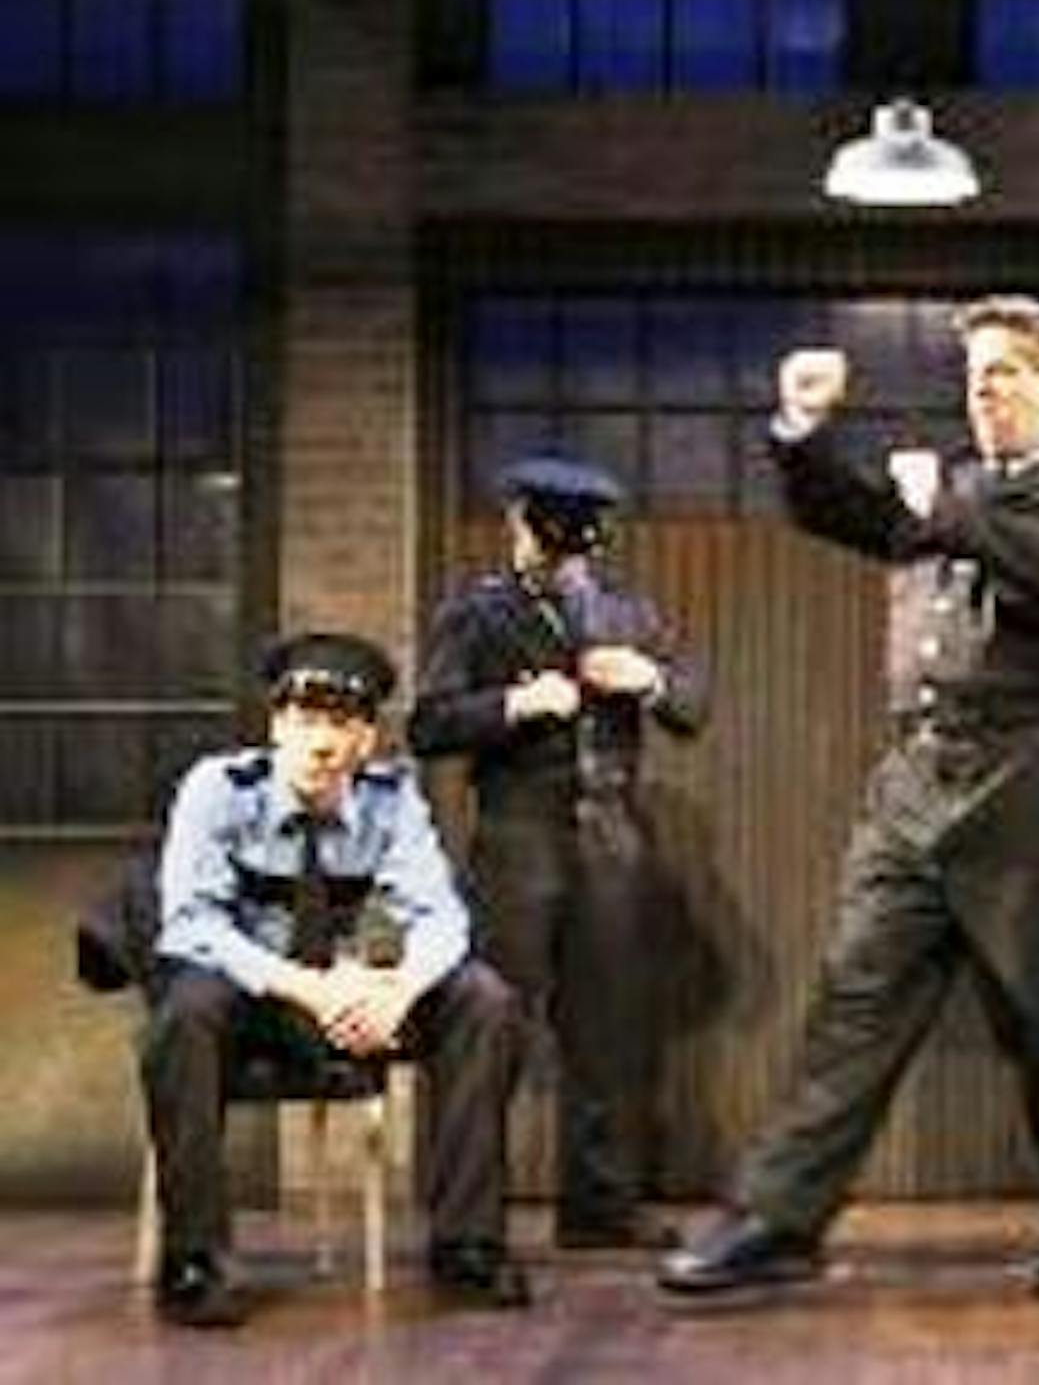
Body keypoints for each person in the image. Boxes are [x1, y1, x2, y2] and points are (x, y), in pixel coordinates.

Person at [657, 294, 1039, 1300]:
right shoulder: (961, 487)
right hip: (917, 777)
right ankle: (778, 1219)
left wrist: (955, 514)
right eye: (973, 379)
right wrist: (803, 435)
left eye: (1001, 374)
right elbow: (851, 513)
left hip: (1033, 779)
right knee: (855, 998)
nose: (981, 396)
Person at [144, 632, 527, 1327]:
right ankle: (193, 1259)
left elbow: (440, 916)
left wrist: (399, 990)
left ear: (366, 739)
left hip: (357, 998)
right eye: (303, 722)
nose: (320, 744)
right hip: (258, 995)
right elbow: (192, 924)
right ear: (276, 726)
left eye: (340, 725)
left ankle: (467, 1245)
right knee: (184, 1011)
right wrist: (308, 988)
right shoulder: (218, 790)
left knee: (484, 1000)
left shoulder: (392, 800)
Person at [411, 454, 707, 1251]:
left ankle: (600, 1208)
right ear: (519, 524)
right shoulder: (477, 615)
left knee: (607, 1032)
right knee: (491, 1023)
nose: (568, 556)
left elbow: (693, 706)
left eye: (581, 541)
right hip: (518, 837)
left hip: (612, 838)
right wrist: (515, 703)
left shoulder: (629, 614)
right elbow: (428, 725)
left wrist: (648, 679)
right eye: (553, 535)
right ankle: (469, 1223)